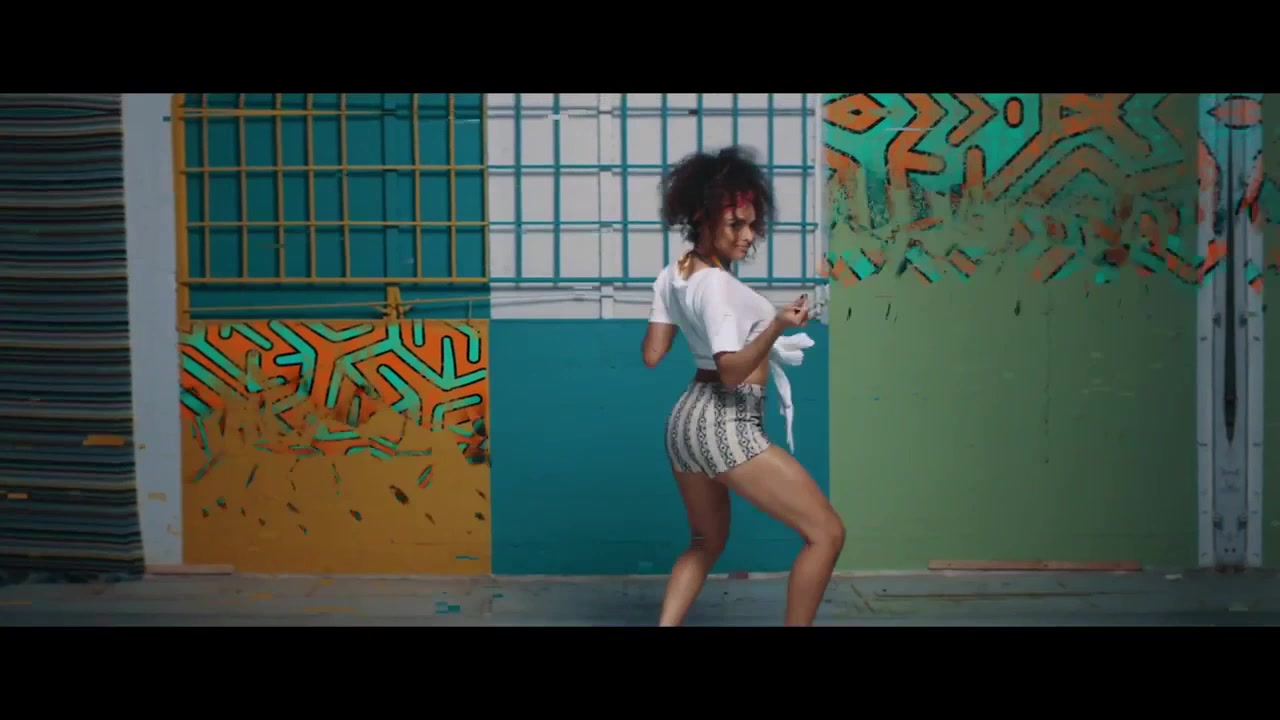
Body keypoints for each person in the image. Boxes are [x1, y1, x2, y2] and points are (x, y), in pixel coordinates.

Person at [642, 145, 846, 626]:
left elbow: (652, 354)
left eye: (753, 225)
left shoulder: (674, 273)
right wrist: (776, 325)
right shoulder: (716, 284)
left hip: (684, 422)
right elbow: (731, 371)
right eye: (735, 224)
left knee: (704, 541)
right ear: (701, 215)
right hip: (725, 420)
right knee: (827, 533)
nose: (748, 236)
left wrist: (693, 314)